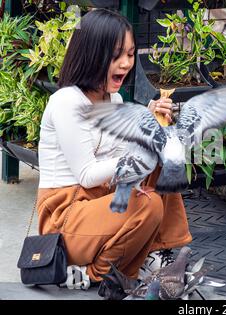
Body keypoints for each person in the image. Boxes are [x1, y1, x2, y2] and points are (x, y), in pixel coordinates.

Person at [37, 9, 192, 290]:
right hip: (65, 216)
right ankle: (93, 273)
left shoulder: (115, 99)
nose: (125, 64)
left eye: (131, 54)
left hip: (101, 204)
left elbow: (121, 162)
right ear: (91, 55)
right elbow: (87, 174)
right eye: (116, 55)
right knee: (146, 203)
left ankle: (160, 256)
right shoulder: (66, 102)